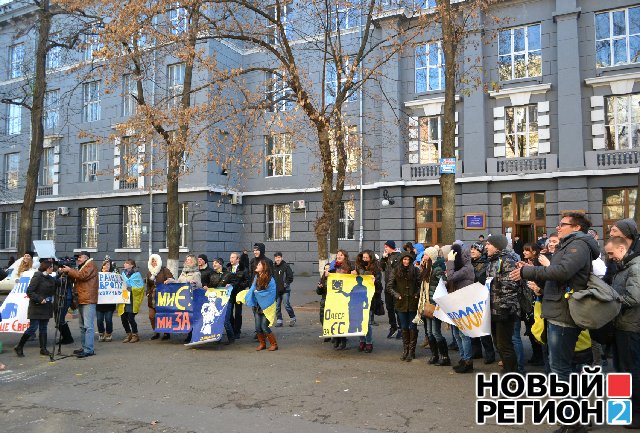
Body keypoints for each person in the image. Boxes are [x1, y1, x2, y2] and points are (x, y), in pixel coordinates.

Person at [511, 213, 600, 389]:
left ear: (576, 228)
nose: (558, 228)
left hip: (564, 314)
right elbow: (557, 278)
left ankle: (571, 414)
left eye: (563, 224)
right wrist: (533, 272)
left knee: (561, 369)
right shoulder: (569, 245)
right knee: (564, 367)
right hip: (559, 310)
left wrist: (529, 272)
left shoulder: (578, 245)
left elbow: (562, 272)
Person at [605, 236, 640, 429]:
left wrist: (609, 300)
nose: (610, 258)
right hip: (621, 325)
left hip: (630, 326)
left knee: (630, 371)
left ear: (621, 248)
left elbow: (634, 298)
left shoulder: (635, 267)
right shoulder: (625, 267)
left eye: (611, 253)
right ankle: (620, 412)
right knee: (619, 370)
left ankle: (635, 414)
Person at [486, 234, 520, 374]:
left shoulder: (507, 261)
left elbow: (511, 287)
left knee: (504, 345)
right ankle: (507, 369)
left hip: (504, 311)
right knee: (498, 344)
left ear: (497, 246)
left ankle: (512, 375)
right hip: (494, 310)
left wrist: (505, 309)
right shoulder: (492, 261)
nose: (486, 246)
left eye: (489, 244)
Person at [13, 260, 57, 357]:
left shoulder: (50, 278)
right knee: (33, 328)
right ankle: (19, 346)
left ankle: (43, 349)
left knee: (43, 328)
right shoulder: (37, 276)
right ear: (47, 267)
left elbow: (56, 285)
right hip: (36, 306)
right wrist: (40, 299)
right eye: (51, 267)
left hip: (46, 307)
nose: (52, 269)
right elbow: (29, 291)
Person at [60, 251, 98, 358]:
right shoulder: (83, 266)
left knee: (88, 326)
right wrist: (67, 272)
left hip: (88, 299)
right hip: (82, 298)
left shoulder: (91, 265)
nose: (78, 259)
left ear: (86, 257)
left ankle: (89, 349)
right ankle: (84, 347)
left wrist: (69, 270)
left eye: (80, 257)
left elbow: (82, 276)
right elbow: (77, 278)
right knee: (82, 326)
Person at [445, 243, 476, 373]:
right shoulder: (462, 267)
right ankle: (463, 358)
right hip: (457, 303)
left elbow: (451, 276)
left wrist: (450, 262)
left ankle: (468, 361)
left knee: (463, 334)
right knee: (456, 334)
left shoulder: (467, 268)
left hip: (464, 304)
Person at [386, 252, 420, 362]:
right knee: (404, 326)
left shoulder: (415, 270)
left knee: (412, 326)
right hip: (401, 303)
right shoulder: (396, 270)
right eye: (404, 259)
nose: (406, 261)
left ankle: (412, 351)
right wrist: (397, 295)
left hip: (412, 303)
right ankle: (405, 350)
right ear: (401, 260)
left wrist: (416, 295)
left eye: (408, 260)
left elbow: (420, 285)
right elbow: (389, 286)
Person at [419, 246, 450, 365]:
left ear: (431, 256)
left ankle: (445, 357)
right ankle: (434, 355)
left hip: (434, 305)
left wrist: (438, 300)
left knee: (436, 332)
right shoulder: (426, 268)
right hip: (427, 304)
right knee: (429, 332)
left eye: (425, 254)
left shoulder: (436, 269)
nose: (424, 256)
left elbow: (444, 282)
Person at [469, 242, 496, 364]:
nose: (472, 251)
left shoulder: (485, 264)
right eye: (472, 249)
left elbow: (480, 278)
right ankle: (476, 351)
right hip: (471, 297)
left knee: (483, 328)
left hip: (481, 298)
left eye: (475, 249)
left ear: (480, 252)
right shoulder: (470, 263)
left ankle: (490, 354)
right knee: (473, 326)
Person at [166, 254, 202, 342]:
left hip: (192, 298)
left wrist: (194, 283)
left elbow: (199, 285)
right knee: (186, 316)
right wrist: (171, 281)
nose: (187, 261)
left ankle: (192, 335)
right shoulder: (183, 272)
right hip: (183, 299)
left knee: (192, 317)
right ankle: (189, 333)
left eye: (189, 259)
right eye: (186, 259)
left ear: (193, 261)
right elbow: (179, 283)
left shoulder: (196, 273)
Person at [352, 250, 382, 353]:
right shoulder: (358, 267)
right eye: (363, 257)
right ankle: (361, 341)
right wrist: (353, 274)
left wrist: (374, 281)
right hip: (358, 297)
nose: (364, 259)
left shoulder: (376, 269)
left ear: (371, 258)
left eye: (366, 258)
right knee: (359, 321)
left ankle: (369, 342)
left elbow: (378, 285)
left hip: (369, 298)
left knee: (367, 322)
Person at [520, 244, 544, 367]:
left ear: (534, 252)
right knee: (530, 330)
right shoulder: (526, 263)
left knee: (536, 330)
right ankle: (536, 355)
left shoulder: (538, 264)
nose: (524, 252)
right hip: (528, 301)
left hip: (536, 300)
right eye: (523, 250)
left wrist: (529, 270)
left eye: (527, 250)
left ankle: (540, 356)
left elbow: (539, 279)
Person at [249, 259, 278, 351]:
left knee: (264, 327)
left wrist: (258, 293)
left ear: (264, 267)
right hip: (258, 306)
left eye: (259, 264)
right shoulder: (256, 277)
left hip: (267, 306)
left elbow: (270, 293)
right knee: (258, 327)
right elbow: (252, 290)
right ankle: (262, 344)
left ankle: (274, 344)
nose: (257, 266)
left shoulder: (270, 278)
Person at [328, 249, 353, 350]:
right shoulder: (332, 266)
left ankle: (343, 339)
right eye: (338, 255)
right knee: (335, 317)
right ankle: (336, 338)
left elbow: (353, 280)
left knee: (342, 318)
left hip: (344, 296)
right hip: (334, 296)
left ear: (345, 257)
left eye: (341, 255)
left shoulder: (348, 267)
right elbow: (327, 279)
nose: (339, 256)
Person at [146, 254, 173, 340]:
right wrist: (147, 292)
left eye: (155, 261)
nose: (154, 263)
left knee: (164, 315)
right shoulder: (149, 272)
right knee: (151, 316)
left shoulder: (164, 270)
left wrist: (169, 280)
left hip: (163, 296)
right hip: (152, 297)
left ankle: (166, 333)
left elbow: (171, 279)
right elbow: (148, 284)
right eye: (152, 261)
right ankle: (156, 332)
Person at [209, 257, 234, 344]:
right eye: (213, 263)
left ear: (220, 264)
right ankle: (217, 338)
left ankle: (231, 338)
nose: (213, 265)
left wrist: (231, 284)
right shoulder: (212, 274)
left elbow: (235, 284)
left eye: (215, 263)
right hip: (216, 301)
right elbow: (210, 286)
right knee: (217, 319)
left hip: (227, 300)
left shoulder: (229, 274)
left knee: (226, 320)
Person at [119, 259, 144, 343]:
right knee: (123, 317)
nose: (125, 264)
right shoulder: (123, 274)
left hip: (132, 298)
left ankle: (135, 334)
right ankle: (128, 334)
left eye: (127, 263)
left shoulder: (137, 275)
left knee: (130, 317)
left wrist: (130, 288)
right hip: (124, 298)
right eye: (125, 263)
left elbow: (140, 287)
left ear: (132, 265)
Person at [380, 240, 402, 339]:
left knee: (397, 308)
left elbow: (397, 269)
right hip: (388, 286)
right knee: (389, 308)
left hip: (396, 287)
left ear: (391, 247)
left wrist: (390, 260)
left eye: (386, 247)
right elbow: (381, 267)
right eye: (385, 247)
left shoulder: (398, 256)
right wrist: (383, 259)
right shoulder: (387, 257)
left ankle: (401, 328)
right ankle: (393, 327)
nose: (385, 249)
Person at [227, 252, 247, 338]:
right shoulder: (227, 268)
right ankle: (231, 329)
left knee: (238, 313)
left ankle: (237, 330)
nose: (231, 259)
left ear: (238, 259)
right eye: (230, 257)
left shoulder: (243, 269)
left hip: (239, 293)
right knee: (230, 312)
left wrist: (239, 286)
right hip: (230, 293)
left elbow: (247, 281)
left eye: (233, 258)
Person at [97, 257, 117, 342]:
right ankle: (101, 333)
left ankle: (109, 333)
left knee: (108, 319)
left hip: (110, 302)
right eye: (104, 265)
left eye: (108, 265)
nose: (106, 267)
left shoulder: (113, 276)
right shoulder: (98, 276)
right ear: (102, 266)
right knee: (99, 320)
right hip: (99, 302)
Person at [273, 252, 296, 327]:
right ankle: (279, 321)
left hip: (285, 290)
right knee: (277, 307)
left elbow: (290, 277)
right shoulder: (273, 267)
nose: (277, 259)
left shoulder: (286, 266)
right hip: (276, 290)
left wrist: (285, 285)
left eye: (279, 257)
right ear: (275, 259)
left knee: (286, 304)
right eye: (276, 258)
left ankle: (293, 318)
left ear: (282, 258)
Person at [317, 263, 331, 342]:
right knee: (323, 318)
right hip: (324, 300)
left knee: (333, 318)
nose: (327, 270)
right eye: (325, 268)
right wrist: (320, 288)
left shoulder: (335, 277)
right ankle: (327, 333)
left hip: (333, 301)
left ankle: (336, 336)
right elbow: (318, 292)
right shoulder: (322, 279)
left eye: (328, 268)